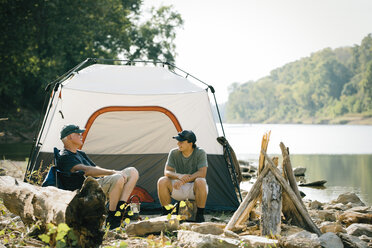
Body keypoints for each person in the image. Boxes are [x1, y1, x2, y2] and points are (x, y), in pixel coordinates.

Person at [57, 124, 139, 229]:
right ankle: (112, 217)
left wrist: (112, 173)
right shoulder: (65, 156)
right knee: (118, 178)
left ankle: (119, 211)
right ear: (70, 137)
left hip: (96, 184)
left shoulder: (80, 154)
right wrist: (113, 172)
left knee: (132, 172)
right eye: (78, 134)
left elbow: (95, 168)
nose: (82, 135)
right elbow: (87, 170)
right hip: (85, 192)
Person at [157, 130, 208, 222]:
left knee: (201, 181)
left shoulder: (200, 152)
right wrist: (179, 176)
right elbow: (167, 172)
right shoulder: (173, 152)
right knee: (162, 180)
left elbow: (202, 173)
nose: (178, 144)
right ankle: (167, 213)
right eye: (178, 141)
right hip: (179, 187)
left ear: (190, 143)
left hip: (194, 189)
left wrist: (183, 180)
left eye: (181, 142)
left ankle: (200, 215)